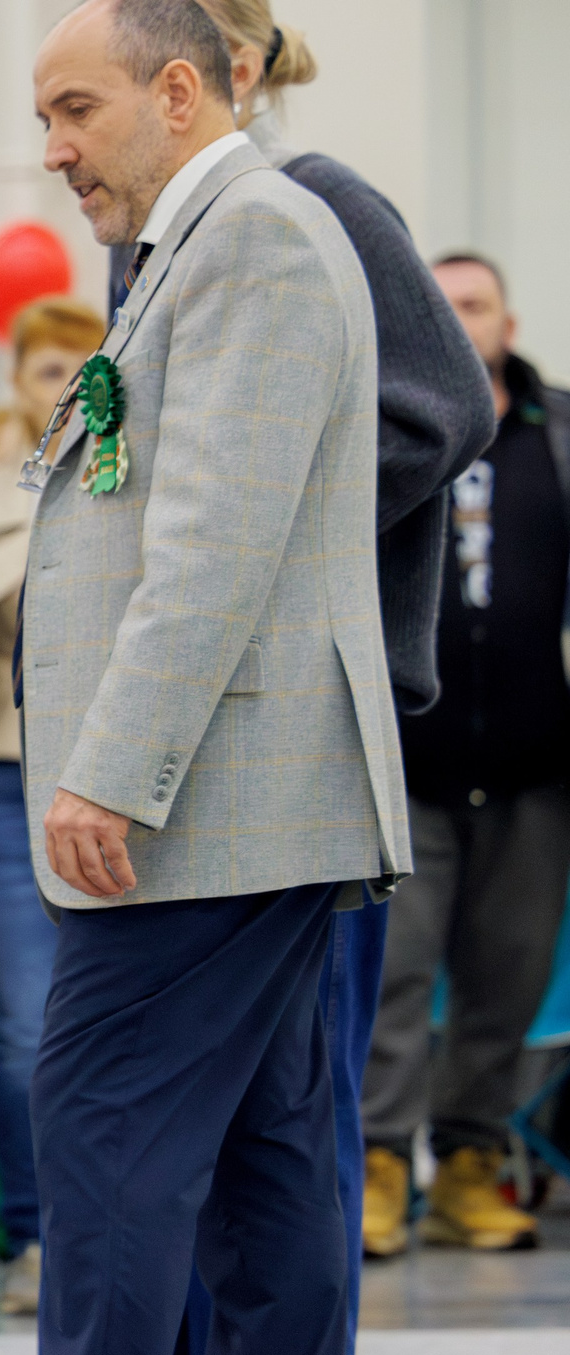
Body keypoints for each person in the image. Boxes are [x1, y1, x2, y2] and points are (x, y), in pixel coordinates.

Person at [0, 0, 401, 1355]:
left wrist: (110, 763)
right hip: (254, 792)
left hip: (206, 797)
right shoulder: (219, 239)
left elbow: (216, 547)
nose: (53, 146)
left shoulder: (254, 241)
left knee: (99, 1128)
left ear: (181, 90)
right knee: (266, 1155)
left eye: (76, 106)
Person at [360, 253, 568, 1255]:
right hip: (408, 763)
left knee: (507, 978)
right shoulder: (388, 432)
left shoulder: (555, 431)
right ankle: (376, 1163)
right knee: (393, 977)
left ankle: (472, 1164)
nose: (457, 318)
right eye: (438, 304)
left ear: (508, 322)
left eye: (474, 303)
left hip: (534, 768)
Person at [0, 296, 105, 1319]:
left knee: (114, 1026)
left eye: (81, 370)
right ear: (19, 382)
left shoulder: (143, 474)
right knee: (24, 1028)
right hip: (11, 774)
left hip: (124, 778)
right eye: (47, 371)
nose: (65, 390)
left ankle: (111, 1238)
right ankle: (41, 1236)